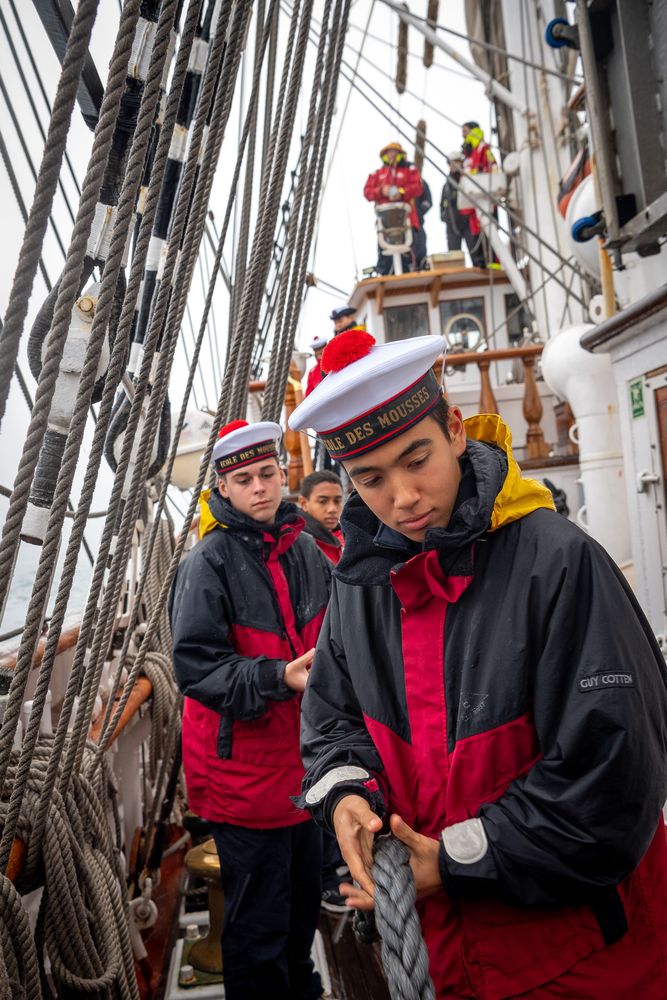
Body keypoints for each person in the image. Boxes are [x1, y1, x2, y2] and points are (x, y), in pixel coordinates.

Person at [289, 328, 667, 999]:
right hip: (445, 958)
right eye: (371, 479)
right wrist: (347, 797)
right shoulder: (357, 587)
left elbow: (615, 778)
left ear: (456, 430)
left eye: (417, 460)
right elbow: (332, 721)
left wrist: (457, 859)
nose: (403, 496)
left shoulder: (560, 562)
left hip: (580, 960)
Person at [169, 419, 332, 1000]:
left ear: (282, 474)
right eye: (244, 480)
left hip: (305, 767)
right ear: (224, 487)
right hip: (242, 775)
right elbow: (195, 667)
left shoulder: (306, 550)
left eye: (267, 473)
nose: (259, 487)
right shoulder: (207, 562)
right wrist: (277, 676)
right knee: (258, 931)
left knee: (301, 916)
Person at [363, 141, 424, 275]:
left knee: (410, 257)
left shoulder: (409, 171)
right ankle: (387, 276)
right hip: (385, 224)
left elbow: (418, 187)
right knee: (386, 259)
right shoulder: (377, 174)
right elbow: (367, 192)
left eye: (395, 152)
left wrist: (401, 192)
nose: (392, 154)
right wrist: (381, 191)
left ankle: (410, 276)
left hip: (407, 221)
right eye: (389, 152)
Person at [460, 121, 498, 269]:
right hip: (472, 202)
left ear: (473, 131)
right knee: (476, 234)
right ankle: (481, 263)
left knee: (490, 231)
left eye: (465, 131)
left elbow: (492, 167)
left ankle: (495, 263)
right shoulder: (468, 154)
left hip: (485, 198)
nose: (463, 135)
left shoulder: (482, 148)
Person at [298, 470, 344, 566]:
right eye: (323, 501)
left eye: (337, 501)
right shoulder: (297, 544)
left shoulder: (346, 538)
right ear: (304, 503)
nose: (332, 509)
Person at [440, 152, 466, 253]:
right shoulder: (447, 185)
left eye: (456, 162)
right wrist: (444, 215)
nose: (454, 165)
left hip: (467, 221)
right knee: (454, 253)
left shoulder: (466, 179)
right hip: (452, 222)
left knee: (476, 252)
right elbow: (442, 203)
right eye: (451, 163)